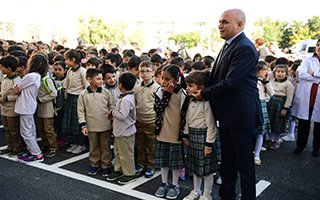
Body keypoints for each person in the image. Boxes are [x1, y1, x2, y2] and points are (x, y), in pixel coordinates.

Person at [193, 9, 262, 200]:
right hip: (227, 115)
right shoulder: (228, 45)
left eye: (224, 22)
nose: (219, 26)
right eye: (219, 22)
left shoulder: (245, 48)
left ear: (240, 25)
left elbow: (231, 82)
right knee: (228, 162)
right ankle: (227, 196)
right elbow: (219, 75)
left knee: (244, 166)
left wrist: (203, 94)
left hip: (241, 116)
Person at [182, 70, 220, 200]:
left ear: (201, 88)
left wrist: (208, 144)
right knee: (195, 168)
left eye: (190, 85)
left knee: (206, 170)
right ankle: (196, 191)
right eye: (187, 85)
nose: (187, 88)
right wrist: (186, 135)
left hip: (204, 138)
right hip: (193, 136)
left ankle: (206, 194)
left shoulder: (206, 103)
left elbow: (211, 125)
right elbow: (187, 119)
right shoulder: (190, 100)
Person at [154, 64, 188, 200]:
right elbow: (158, 109)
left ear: (176, 79)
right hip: (162, 131)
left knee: (174, 162)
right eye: (162, 78)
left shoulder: (183, 93)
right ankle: (163, 183)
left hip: (176, 133)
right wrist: (167, 94)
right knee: (163, 161)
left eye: (167, 79)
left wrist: (185, 134)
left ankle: (175, 185)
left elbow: (186, 115)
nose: (163, 81)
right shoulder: (160, 91)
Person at [78, 68, 113, 176]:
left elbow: (111, 106)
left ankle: (106, 165)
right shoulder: (83, 94)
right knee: (93, 147)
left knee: (105, 147)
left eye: (101, 79)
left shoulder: (106, 92)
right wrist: (83, 125)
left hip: (105, 126)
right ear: (89, 79)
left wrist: (111, 118)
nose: (101, 81)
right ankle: (95, 164)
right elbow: (80, 111)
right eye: (98, 79)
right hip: (91, 126)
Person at [14, 52, 48, 163]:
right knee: (31, 130)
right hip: (29, 105)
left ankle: (37, 154)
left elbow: (17, 87)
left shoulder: (31, 76)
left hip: (25, 106)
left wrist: (17, 88)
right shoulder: (37, 76)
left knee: (26, 132)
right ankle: (32, 151)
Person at [106, 72, 137, 185]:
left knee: (126, 154)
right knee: (118, 152)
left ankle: (130, 173)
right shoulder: (126, 97)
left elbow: (122, 115)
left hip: (126, 131)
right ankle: (118, 170)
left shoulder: (126, 99)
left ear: (120, 85)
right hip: (120, 131)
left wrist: (112, 112)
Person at [291, 39, 320, 157]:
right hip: (307, 96)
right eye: (318, 45)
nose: (319, 48)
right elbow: (302, 74)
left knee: (319, 125)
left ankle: (316, 148)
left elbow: (309, 75)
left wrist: (314, 73)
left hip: (318, 97)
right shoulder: (308, 60)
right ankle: (300, 146)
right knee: (304, 122)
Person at [134, 60, 160, 178]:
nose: (144, 74)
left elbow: (160, 107)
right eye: (142, 71)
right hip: (139, 120)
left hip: (151, 121)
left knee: (151, 145)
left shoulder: (157, 88)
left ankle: (150, 165)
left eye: (148, 71)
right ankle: (140, 163)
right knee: (140, 144)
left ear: (153, 73)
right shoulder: (137, 87)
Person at [63, 49, 89, 154]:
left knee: (78, 123)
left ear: (73, 59)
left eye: (67, 60)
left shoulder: (83, 71)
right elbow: (67, 85)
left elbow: (87, 87)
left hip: (79, 98)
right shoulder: (69, 71)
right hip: (70, 97)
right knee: (70, 123)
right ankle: (74, 143)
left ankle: (80, 144)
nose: (65, 62)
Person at [0, 55, 25, 155]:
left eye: (2, 67)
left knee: (14, 129)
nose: (0, 68)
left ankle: (17, 147)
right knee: (7, 129)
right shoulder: (5, 78)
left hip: (12, 108)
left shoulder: (17, 80)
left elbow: (19, 95)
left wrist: (6, 98)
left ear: (9, 68)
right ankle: (10, 146)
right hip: (4, 108)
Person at [267, 64, 294, 150]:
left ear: (286, 73)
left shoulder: (288, 84)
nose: (280, 73)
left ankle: (276, 140)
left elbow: (289, 97)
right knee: (270, 122)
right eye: (278, 71)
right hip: (271, 104)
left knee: (278, 123)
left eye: (282, 72)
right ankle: (269, 139)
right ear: (274, 73)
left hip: (280, 105)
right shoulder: (271, 82)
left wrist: (285, 108)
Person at [37, 61, 59, 158]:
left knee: (48, 129)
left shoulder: (47, 80)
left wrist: (41, 99)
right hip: (40, 108)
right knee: (41, 129)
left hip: (47, 108)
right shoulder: (39, 79)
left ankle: (53, 147)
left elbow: (54, 93)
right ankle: (45, 145)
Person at [255, 61, 274, 165]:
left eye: (267, 69)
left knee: (260, 132)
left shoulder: (265, 82)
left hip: (261, 106)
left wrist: (266, 82)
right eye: (264, 70)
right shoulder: (253, 81)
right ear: (258, 71)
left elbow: (272, 93)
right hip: (253, 106)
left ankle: (257, 154)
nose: (267, 72)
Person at [52, 61, 67, 146]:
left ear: (65, 70)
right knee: (55, 122)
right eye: (55, 69)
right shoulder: (53, 80)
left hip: (62, 104)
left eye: (60, 69)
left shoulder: (65, 80)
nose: (57, 71)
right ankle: (57, 136)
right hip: (55, 104)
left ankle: (63, 138)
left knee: (62, 122)